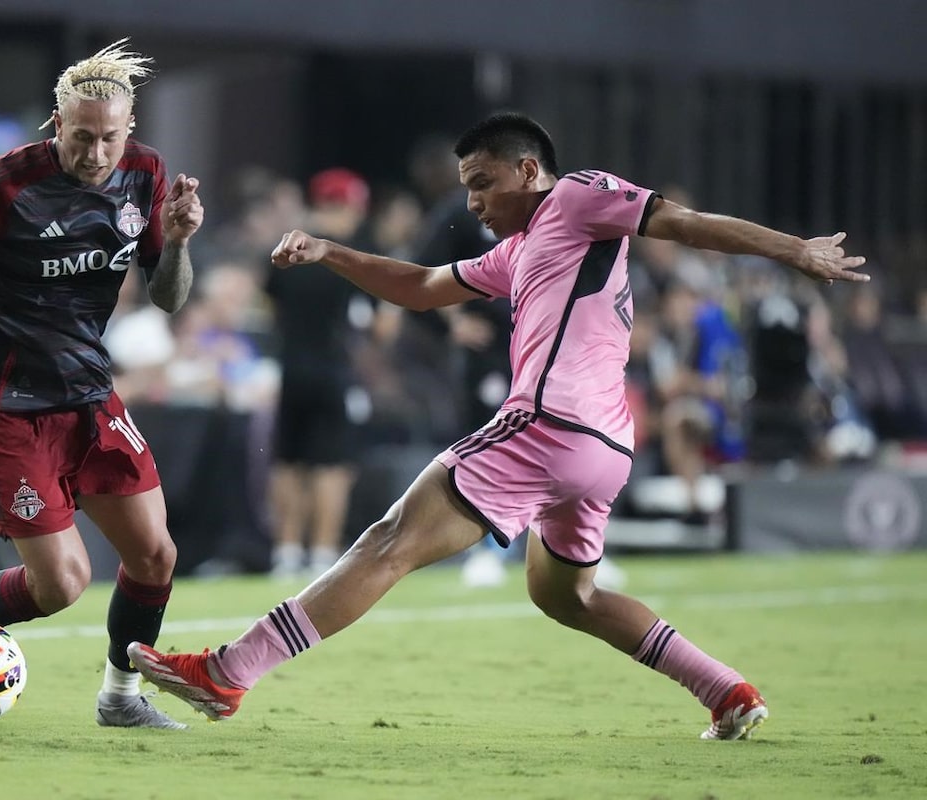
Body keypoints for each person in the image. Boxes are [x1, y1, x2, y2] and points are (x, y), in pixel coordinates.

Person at [127, 111, 868, 739]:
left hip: (549, 426)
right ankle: (726, 691)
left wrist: (793, 250)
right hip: (603, 447)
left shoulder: (578, 195)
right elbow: (419, 287)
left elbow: (682, 223)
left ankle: (231, 671)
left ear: (527, 170)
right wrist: (330, 251)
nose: (473, 202)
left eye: (482, 183)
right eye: (465, 189)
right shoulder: (518, 252)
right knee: (565, 595)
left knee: (388, 540)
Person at [0, 38, 204, 729]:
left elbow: (171, 299)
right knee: (61, 585)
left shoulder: (145, 173)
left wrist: (176, 243)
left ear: (130, 130)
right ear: (56, 125)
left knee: (155, 554)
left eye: (108, 138)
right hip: (3, 399)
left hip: (87, 393)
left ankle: (121, 697)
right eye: (80, 137)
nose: (94, 153)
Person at [265, 168, 374, 579]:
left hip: (291, 370)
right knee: (331, 465)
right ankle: (323, 552)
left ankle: (286, 552)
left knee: (287, 462)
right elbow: (376, 324)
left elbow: (272, 307)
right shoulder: (349, 254)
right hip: (333, 372)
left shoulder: (286, 251)